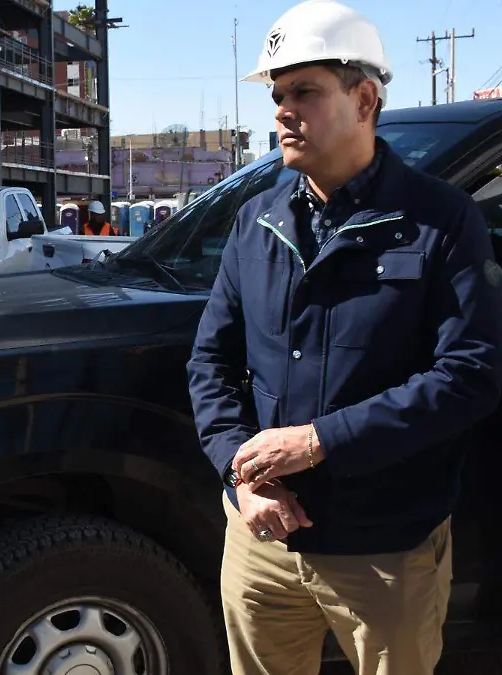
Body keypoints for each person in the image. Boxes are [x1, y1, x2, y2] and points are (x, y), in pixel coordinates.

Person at [186, 2, 502, 674]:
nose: (282, 110)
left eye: (304, 91)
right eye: (277, 94)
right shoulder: (256, 222)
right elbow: (210, 361)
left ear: (364, 98)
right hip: (262, 538)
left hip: (387, 550)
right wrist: (241, 479)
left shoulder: (440, 222)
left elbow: (470, 375)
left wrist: (318, 441)